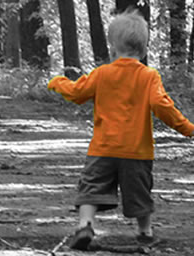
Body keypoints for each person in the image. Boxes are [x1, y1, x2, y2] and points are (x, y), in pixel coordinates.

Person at [47, 9, 194, 251]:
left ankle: (85, 225)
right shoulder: (149, 76)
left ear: (113, 48)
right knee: (139, 193)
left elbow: (76, 93)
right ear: (144, 49)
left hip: (103, 149)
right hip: (137, 151)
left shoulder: (102, 73)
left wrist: (57, 83)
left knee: (90, 188)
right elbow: (161, 105)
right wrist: (187, 128)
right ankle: (145, 232)